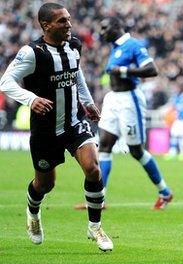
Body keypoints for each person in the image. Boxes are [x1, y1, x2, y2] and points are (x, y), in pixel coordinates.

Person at [0, 2, 113, 251]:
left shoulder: (74, 45)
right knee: (45, 184)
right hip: (45, 130)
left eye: (69, 19)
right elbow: (5, 82)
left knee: (93, 169)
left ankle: (95, 227)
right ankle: (33, 214)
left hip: (74, 121)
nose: (69, 24)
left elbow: (76, 73)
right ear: (46, 25)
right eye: (62, 21)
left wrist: (88, 102)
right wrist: (31, 99)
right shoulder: (32, 53)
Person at [75, 17, 173, 210]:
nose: (101, 32)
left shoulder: (133, 45)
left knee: (136, 151)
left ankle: (165, 191)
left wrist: (123, 70)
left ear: (117, 27)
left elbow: (152, 70)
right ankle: (99, 198)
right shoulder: (115, 47)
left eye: (104, 27)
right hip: (113, 98)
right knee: (104, 145)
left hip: (130, 99)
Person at [164, 90, 183, 161]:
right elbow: (173, 107)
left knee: (182, 136)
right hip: (177, 120)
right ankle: (173, 151)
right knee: (174, 135)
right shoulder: (176, 97)